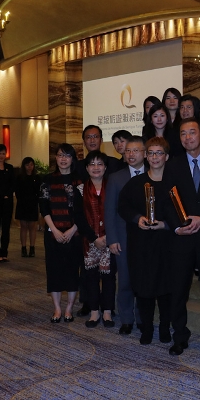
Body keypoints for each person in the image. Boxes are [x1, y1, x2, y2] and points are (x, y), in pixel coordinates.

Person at [161, 119, 200, 355]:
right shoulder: (173, 166)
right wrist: (178, 226)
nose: (188, 137)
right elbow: (167, 201)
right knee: (179, 289)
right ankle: (180, 335)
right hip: (182, 237)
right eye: (183, 134)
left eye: (192, 133)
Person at [117, 138, 175, 344]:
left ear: (166, 157)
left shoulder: (174, 184)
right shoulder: (135, 183)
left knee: (167, 289)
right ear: (146, 157)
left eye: (159, 153)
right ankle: (147, 328)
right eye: (151, 153)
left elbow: (182, 213)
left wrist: (165, 225)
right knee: (144, 288)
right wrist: (137, 218)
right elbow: (122, 207)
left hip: (167, 245)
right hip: (141, 245)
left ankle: (166, 328)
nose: (155, 157)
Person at [41, 144, 93, 323]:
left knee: (72, 271)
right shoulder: (47, 180)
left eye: (67, 156)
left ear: (73, 159)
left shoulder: (80, 181)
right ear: (55, 158)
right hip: (52, 233)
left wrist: (73, 230)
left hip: (74, 234)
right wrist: (54, 230)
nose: (63, 159)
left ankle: (69, 308)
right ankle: (57, 308)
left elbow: (85, 210)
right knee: (54, 271)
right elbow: (44, 208)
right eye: (60, 155)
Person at [104, 138, 145, 335]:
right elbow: (109, 210)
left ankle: (143, 317)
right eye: (128, 151)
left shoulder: (154, 173)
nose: (131, 154)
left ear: (144, 153)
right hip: (123, 238)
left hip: (148, 238)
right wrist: (111, 238)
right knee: (126, 280)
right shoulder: (116, 177)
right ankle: (127, 318)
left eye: (136, 150)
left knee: (144, 280)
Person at [79, 153, 115, 327]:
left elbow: (117, 214)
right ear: (86, 168)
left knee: (108, 277)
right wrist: (94, 239)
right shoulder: (80, 189)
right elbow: (79, 218)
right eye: (91, 164)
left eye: (99, 164)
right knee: (91, 278)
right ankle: (94, 312)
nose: (95, 167)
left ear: (105, 167)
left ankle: (107, 311)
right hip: (89, 241)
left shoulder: (113, 187)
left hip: (110, 240)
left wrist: (108, 237)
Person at [15, 157, 40, 258]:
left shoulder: (37, 178)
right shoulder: (20, 177)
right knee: (23, 227)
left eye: (31, 165)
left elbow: (39, 192)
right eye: (27, 165)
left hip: (33, 204)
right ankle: (24, 248)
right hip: (22, 204)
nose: (29, 167)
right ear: (24, 166)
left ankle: (32, 248)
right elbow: (17, 191)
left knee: (32, 227)